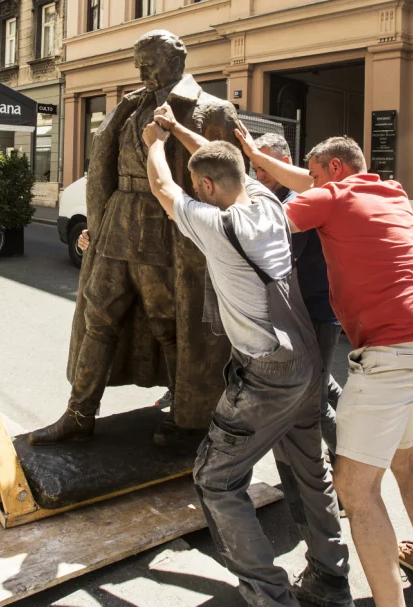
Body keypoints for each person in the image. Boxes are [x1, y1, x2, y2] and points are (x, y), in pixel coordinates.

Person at [145, 115, 352, 607]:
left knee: (216, 479)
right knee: (310, 472)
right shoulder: (267, 202)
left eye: (201, 185)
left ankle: (268, 594)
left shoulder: (216, 224)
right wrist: (177, 129)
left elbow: (162, 185)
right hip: (307, 363)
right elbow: (225, 163)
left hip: (267, 373)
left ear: (207, 186)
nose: (197, 190)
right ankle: (331, 578)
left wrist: (154, 142)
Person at [239, 132, 413, 606]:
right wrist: (257, 157)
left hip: (390, 356)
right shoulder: (388, 190)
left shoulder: (330, 200)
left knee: (356, 492)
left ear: (334, 170)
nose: (306, 186)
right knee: (405, 461)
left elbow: (263, 225)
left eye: (313, 177)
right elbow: (315, 185)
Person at [30, 30, 241, 447]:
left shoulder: (213, 110)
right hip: (118, 224)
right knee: (97, 317)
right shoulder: (130, 106)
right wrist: (97, 219)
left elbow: (230, 182)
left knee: (170, 324)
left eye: (149, 61)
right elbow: (102, 166)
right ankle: (79, 413)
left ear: (176, 59)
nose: (141, 70)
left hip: (167, 227)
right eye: (138, 62)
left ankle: (186, 416)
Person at [251, 132, 343, 458]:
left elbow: (277, 257)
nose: (258, 176)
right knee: (325, 384)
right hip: (308, 313)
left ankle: (351, 473)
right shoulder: (277, 198)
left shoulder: (298, 202)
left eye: (263, 168)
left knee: (314, 404)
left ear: (285, 163)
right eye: (255, 169)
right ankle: (358, 435)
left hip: (316, 314)